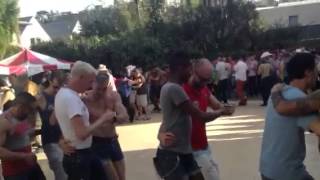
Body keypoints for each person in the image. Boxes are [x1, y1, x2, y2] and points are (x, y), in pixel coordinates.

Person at [154, 51, 230, 180]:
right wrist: (160, 135)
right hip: (181, 151)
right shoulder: (178, 89)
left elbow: (217, 105)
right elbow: (198, 116)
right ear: (192, 71)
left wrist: (225, 108)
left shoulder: (203, 88)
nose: (205, 83)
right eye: (202, 79)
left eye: (208, 80)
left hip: (193, 148)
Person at [259, 53, 320, 180]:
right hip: (286, 173)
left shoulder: (279, 92)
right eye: (315, 70)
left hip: (267, 168)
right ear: (308, 72)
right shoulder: (299, 98)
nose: (317, 74)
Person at [55, 61, 115, 180]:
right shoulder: (70, 98)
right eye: (90, 81)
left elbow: (62, 121)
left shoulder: (65, 94)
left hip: (81, 152)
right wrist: (103, 118)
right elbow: (81, 134)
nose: (91, 85)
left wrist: (62, 139)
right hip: (79, 155)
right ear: (80, 77)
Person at [83, 73, 129, 180]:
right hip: (97, 143)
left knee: (122, 178)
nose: (101, 92)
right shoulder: (85, 99)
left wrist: (113, 118)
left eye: (104, 89)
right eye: (98, 89)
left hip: (113, 141)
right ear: (93, 83)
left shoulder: (113, 96)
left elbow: (125, 117)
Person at [0, 92, 46, 180]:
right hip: (15, 173)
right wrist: (24, 156)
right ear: (21, 107)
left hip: (31, 167)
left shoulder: (24, 116)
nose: (32, 112)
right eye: (31, 109)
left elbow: (25, 136)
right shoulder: (4, 121)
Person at [37, 71, 67, 180]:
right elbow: (48, 121)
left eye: (61, 87)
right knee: (62, 174)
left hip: (64, 138)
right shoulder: (41, 97)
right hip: (51, 140)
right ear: (50, 81)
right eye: (55, 87)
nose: (57, 90)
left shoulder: (63, 95)